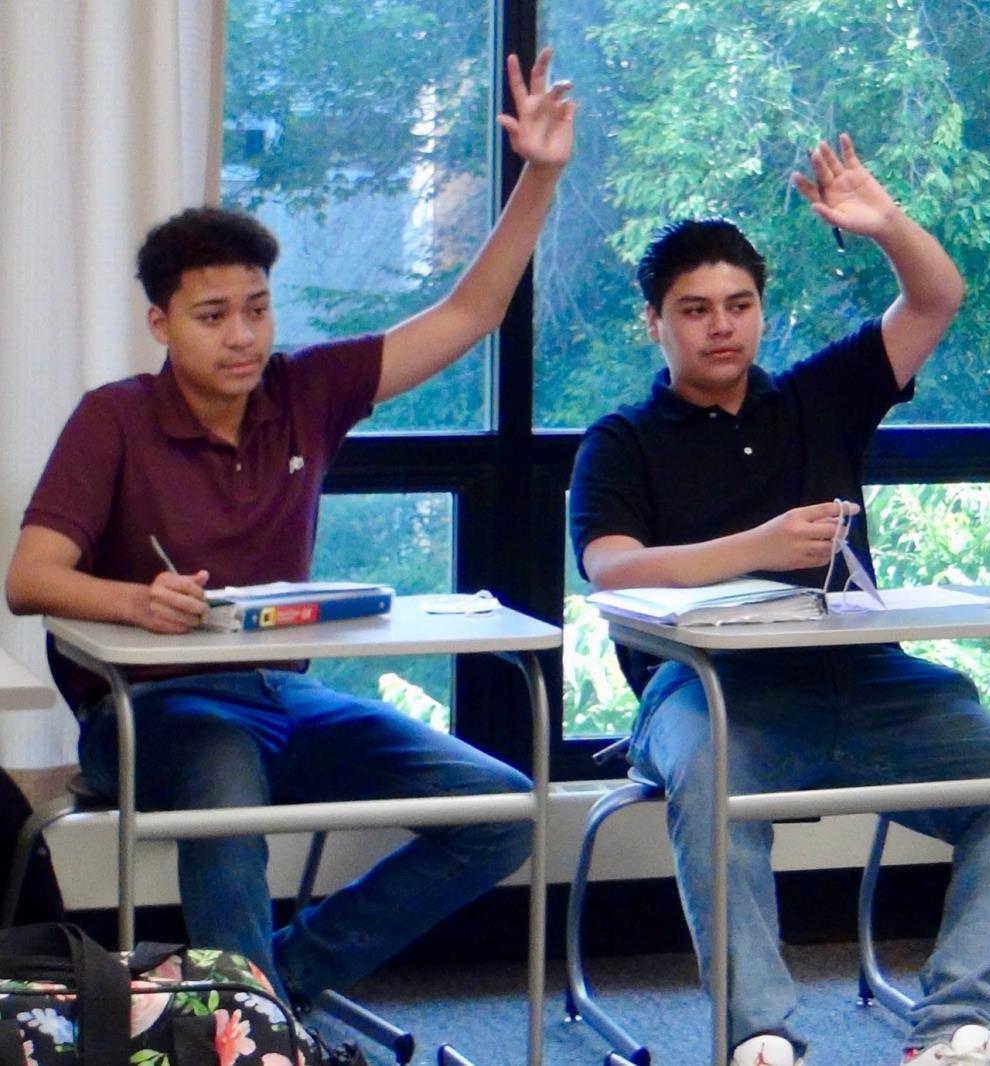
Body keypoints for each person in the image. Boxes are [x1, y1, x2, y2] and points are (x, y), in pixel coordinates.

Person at [5, 47, 575, 1017]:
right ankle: (249, 1016)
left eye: (257, 310)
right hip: (149, 715)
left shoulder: (306, 391)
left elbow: (472, 312)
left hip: (285, 697)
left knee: (497, 810)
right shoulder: (115, 418)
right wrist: (136, 601)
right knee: (224, 793)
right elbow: (32, 575)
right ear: (160, 323)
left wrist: (541, 176)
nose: (242, 337)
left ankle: (261, 997)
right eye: (214, 315)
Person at [568, 135, 990, 1066]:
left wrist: (883, 226)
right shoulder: (623, 440)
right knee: (714, 782)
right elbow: (609, 566)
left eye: (741, 306)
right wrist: (753, 551)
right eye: (695, 310)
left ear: (762, 312)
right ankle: (760, 1035)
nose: (723, 327)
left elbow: (937, 298)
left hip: (863, 672)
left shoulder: (816, 398)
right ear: (655, 325)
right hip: (710, 690)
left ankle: (958, 1024)